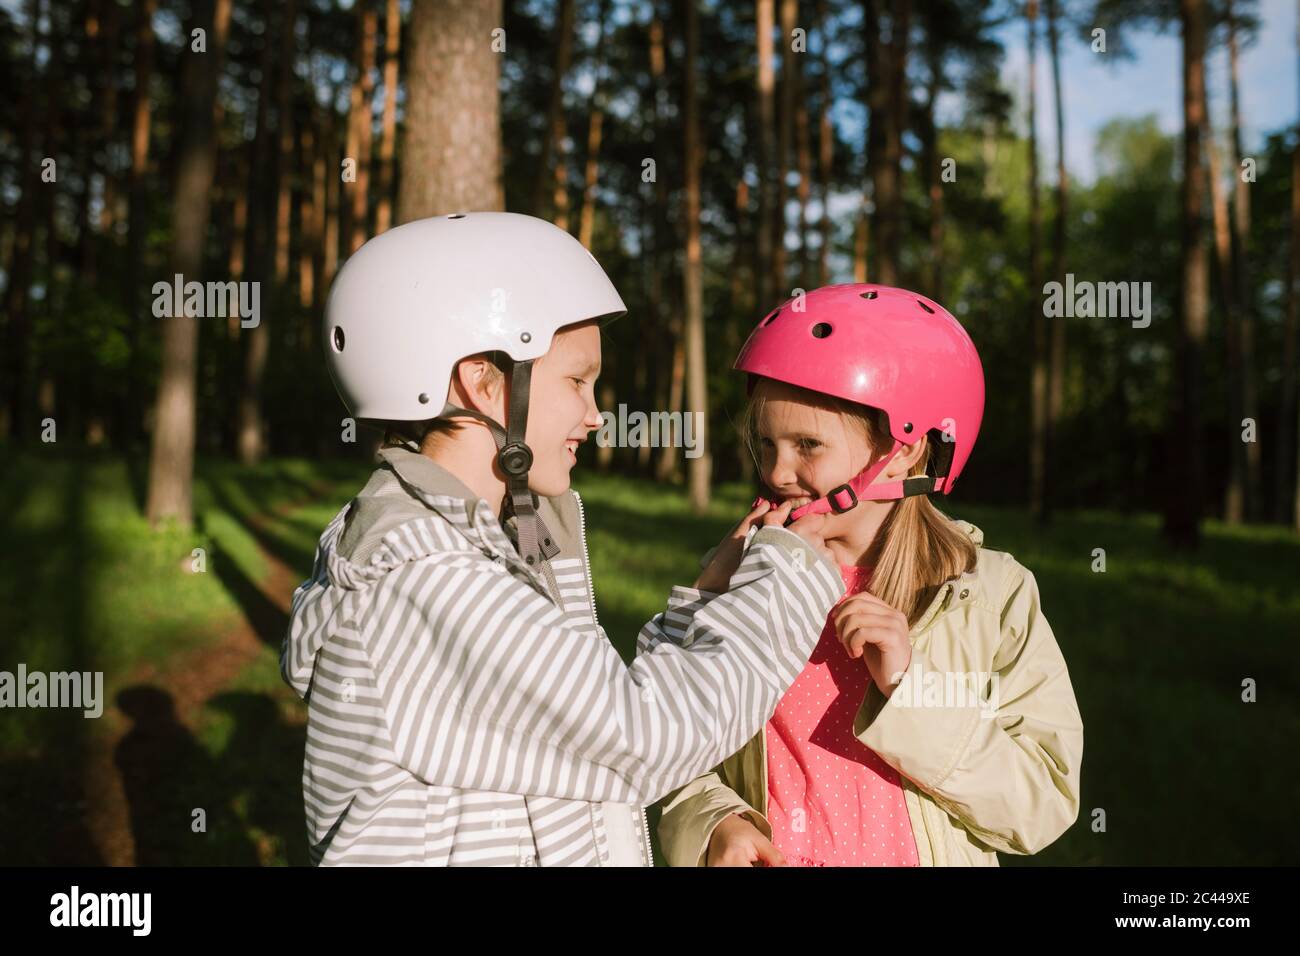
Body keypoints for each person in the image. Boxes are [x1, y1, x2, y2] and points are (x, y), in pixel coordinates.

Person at [281, 211, 841, 865]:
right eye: (577, 380)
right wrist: (789, 574)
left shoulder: (479, 546)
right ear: (482, 381)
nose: (596, 414)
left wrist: (703, 604)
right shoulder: (431, 577)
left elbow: (592, 717)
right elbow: (645, 740)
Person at [658, 283, 1084, 866]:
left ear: (906, 452)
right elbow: (666, 744)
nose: (779, 472)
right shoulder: (743, 577)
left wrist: (914, 688)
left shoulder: (990, 598)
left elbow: (1041, 804)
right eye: (766, 443)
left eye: (808, 444)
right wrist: (716, 822)